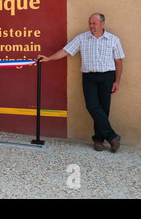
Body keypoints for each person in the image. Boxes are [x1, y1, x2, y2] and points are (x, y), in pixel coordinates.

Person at [38, 13, 124, 152]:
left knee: (103, 109)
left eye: (94, 23)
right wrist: (49, 58)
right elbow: (66, 51)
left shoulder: (113, 40)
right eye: (89, 23)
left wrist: (117, 81)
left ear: (102, 24)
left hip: (107, 76)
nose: (91, 26)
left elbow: (119, 61)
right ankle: (112, 137)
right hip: (89, 77)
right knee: (92, 106)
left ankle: (98, 140)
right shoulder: (82, 38)